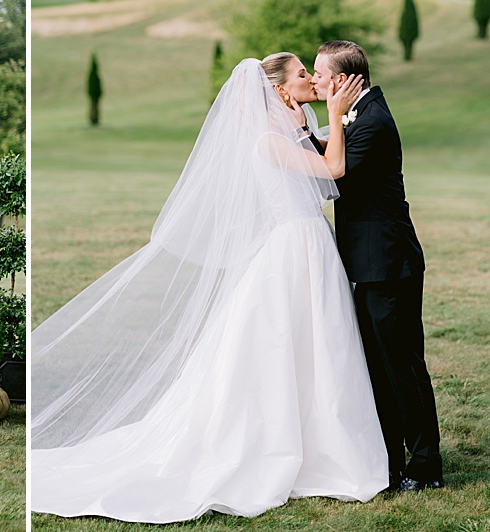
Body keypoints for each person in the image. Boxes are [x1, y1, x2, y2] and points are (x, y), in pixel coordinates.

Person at [30, 59, 387, 522]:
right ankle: (278, 447)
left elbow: (315, 185)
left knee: (320, 347)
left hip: (311, 244)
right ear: (279, 91)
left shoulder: (291, 131)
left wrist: (315, 124)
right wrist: (337, 114)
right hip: (292, 250)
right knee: (283, 347)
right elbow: (333, 168)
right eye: (301, 75)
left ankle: (323, 441)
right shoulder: (267, 140)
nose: (310, 81)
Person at [310, 40, 443, 492]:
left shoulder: (372, 124)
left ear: (345, 81)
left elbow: (332, 171)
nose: (315, 82)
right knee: (379, 368)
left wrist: (315, 126)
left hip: (388, 267)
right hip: (369, 267)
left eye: (322, 76)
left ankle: (425, 467)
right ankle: (388, 459)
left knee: (402, 367)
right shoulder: (360, 116)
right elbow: (329, 151)